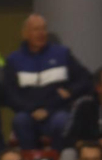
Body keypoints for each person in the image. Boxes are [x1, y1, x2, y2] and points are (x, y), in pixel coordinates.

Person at [5, 14, 91, 149]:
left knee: (62, 121)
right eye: (36, 29)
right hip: (28, 113)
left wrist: (70, 91)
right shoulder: (14, 60)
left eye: (43, 29)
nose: (41, 33)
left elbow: (86, 79)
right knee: (20, 121)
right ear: (25, 34)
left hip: (57, 110)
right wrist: (32, 110)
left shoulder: (62, 54)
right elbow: (10, 94)